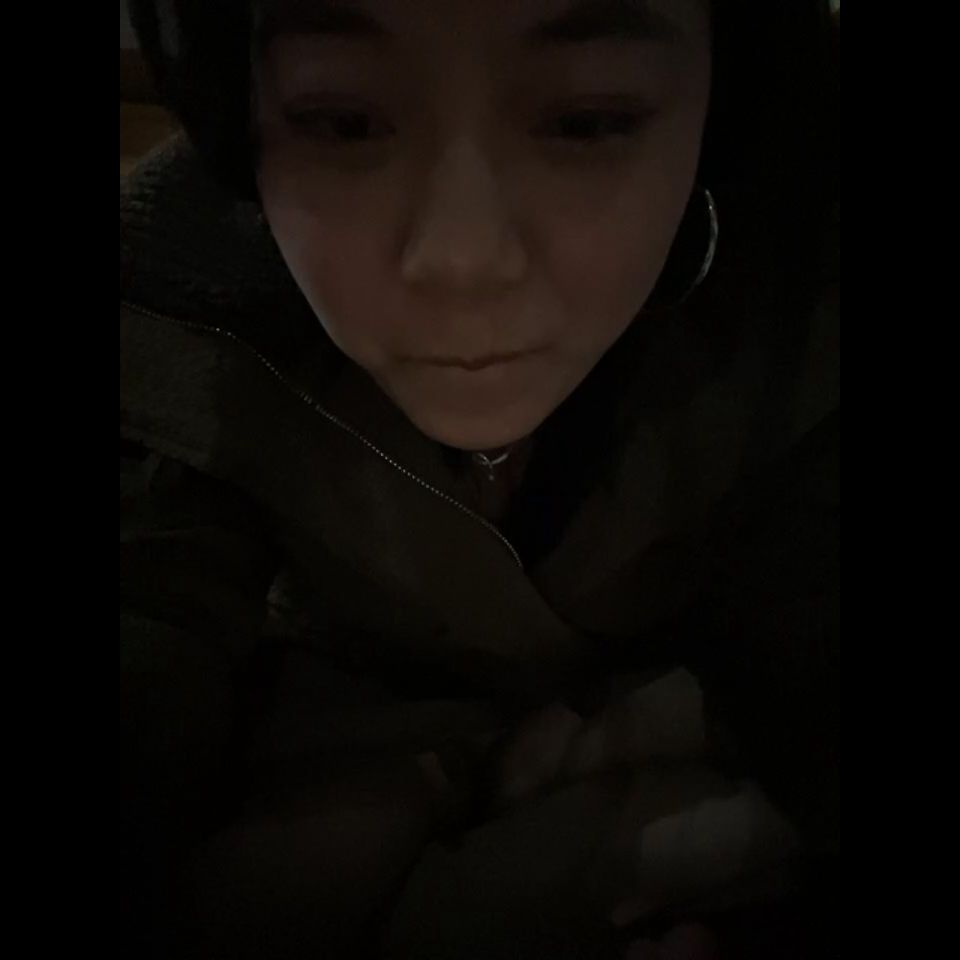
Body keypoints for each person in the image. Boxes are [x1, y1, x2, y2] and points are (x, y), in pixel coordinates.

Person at [121, 1, 839, 957]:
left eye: (587, 121)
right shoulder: (179, 304)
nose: (461, 259)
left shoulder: (800, 306)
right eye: (344, 122)